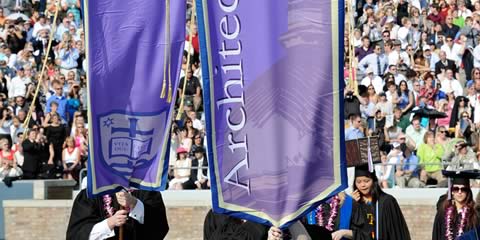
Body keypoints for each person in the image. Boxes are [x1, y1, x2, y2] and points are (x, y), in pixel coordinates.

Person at [330, 164, 411, 240]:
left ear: (373, 181)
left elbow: (396, 232)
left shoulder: (387, 201)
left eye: (366, 181)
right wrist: (351, 203)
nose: (362, 185)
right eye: (359, 182)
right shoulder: (354, 203)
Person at [66, 189, 169, 240]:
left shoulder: (148, 192)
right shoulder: (89, 194)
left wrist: (135, 204)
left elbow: (160, 227)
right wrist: (109, 223)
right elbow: (77, 235)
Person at [432, 173, 479, 240]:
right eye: (456, 189)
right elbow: (436, 235)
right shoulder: (442, 213)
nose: (459, 192)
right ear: (452, 191)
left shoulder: (474, 214)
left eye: (463, 189)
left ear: (468, 191)